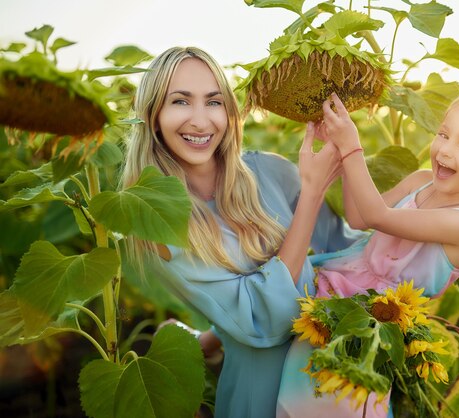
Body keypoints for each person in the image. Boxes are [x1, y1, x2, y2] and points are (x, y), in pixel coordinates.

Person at [120, 47, 363, 418]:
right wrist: (311, 194)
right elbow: (262, 321)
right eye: (181, 101)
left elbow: (344, 257)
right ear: (153, 116)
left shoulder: (270, 170)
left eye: (213, 102)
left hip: (340, 386)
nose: (201, 121)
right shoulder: (160, 225)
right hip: (261, 396)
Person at [276, 89, 459, 417]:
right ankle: (212, 346)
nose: (445, 150)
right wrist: (338, 147)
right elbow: (359, 216)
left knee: (336, 404)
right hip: (333, 299)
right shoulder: (421, 181)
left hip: (371, 329)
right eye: (444, 134)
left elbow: (379, 216)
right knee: (294, 403)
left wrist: (352, 147)